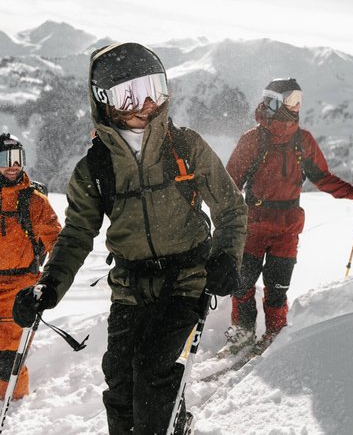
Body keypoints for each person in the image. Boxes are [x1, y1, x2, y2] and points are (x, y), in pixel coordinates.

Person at [12, 43, 247, 434]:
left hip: (186, 280)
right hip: (130, 287)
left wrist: (226, 256)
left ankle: (169, 425)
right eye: (129, 95)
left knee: (153, 371)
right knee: (120, 384)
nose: (146, 105)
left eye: (153, 89)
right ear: (105, 103)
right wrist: (48, 286)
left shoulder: (185, 147)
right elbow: (76, 234)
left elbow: (230, 208)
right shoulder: (97, 166)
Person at [220, 78, 353, 356]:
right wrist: (222, 223)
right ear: (275, 102)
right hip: (252, 226)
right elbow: (229, 186)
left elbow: (323, 178)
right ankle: (242, 333)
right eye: (291, 100)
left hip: (286, 228)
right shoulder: (252, 140)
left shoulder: (302, 141)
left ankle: (275, 336)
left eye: (298, 100)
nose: (296, 106)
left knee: (277, 288)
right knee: (242, 283)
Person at [0, 133, 61, 400]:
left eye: (18, 158)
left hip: (21, 287)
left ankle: (12, 407)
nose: (13, 165)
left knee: (9, 357)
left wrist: (50, 280)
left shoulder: (33, 201)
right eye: (5, 158)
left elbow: (58, 241)